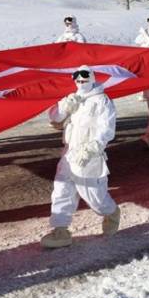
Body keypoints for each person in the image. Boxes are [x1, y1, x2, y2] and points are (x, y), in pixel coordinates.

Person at [41, 66, 121, 249]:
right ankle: (60, 230)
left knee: (94, 196)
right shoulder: (74, 98)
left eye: (85, 77)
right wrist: (64, 107)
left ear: (92, 78)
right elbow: (54, 118)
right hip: (69, 153)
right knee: (62, 189)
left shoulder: (103, 101)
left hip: (89, 156)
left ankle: (111, 212)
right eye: (76, 77)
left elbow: (106, 130)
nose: (80, 80)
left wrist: (93, 148)